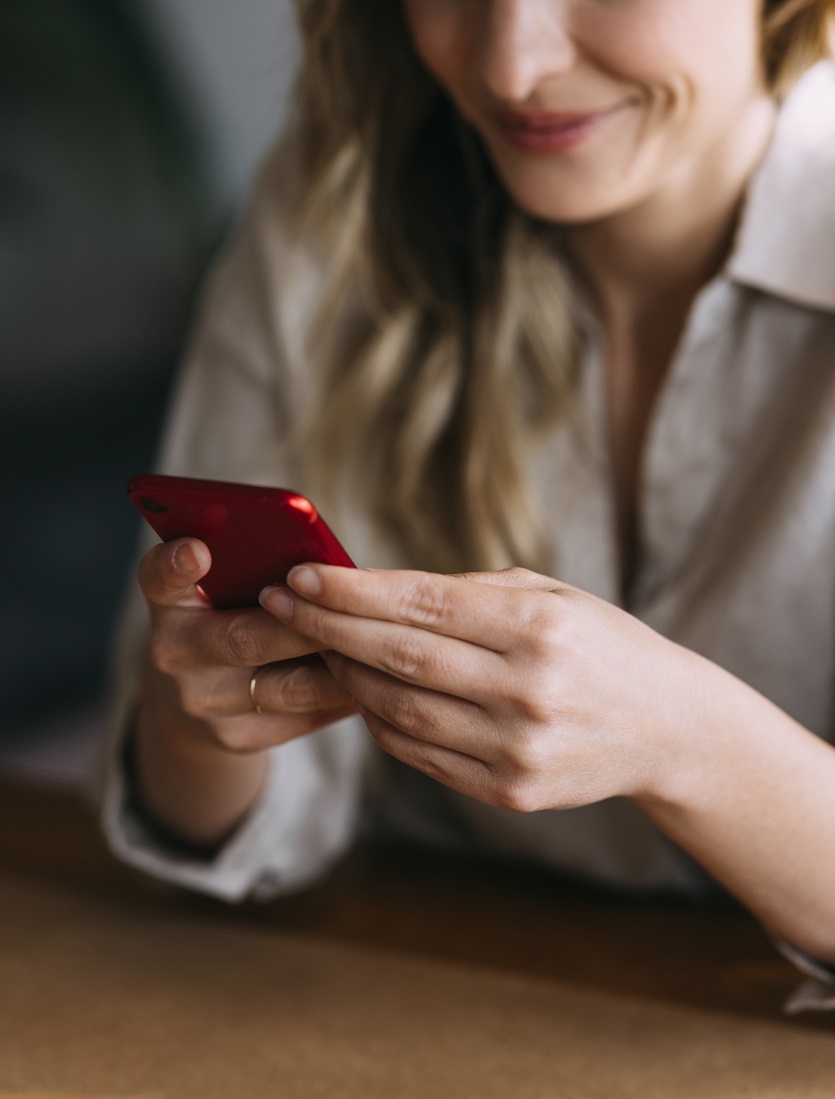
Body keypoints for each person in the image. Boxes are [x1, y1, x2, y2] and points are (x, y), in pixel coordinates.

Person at [101, 0, 835, 1011]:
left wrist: (685, 740)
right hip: (418, 999)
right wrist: (198, 719)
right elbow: (200, 846)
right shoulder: (334, 214)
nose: (510, 67)